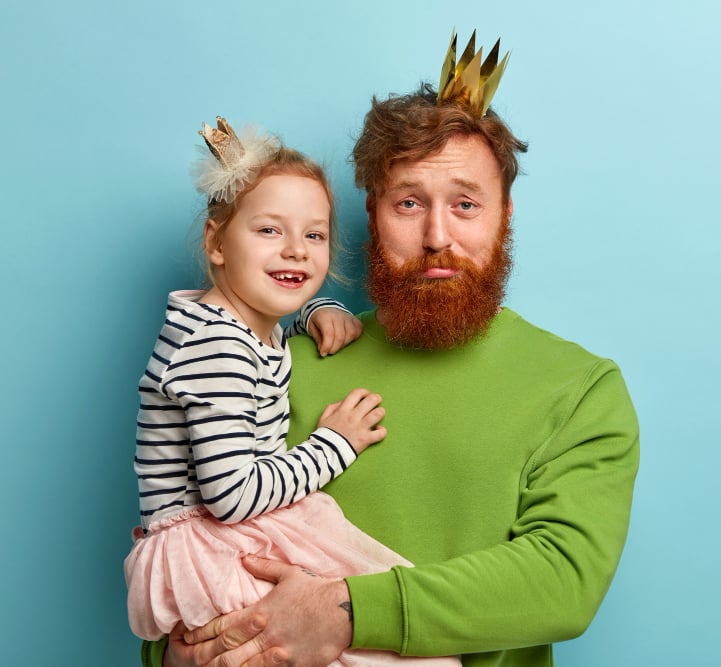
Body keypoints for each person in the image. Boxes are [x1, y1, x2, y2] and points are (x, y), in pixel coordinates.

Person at [147, 31, 640, 667]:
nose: (438, 235)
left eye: (466, 204)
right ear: (373, 212)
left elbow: (562, 583)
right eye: (408, 203)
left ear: (505, 214)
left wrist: (346, 615)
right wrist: (171, 656)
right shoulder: (276, 361)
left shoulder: (580, 390)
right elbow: (194, 550)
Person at [125, 117, 460, 666]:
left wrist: (316, 309)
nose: (297, 252)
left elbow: (267, 315)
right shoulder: (216, 348)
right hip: (218, 545)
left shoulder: (233, 323)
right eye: (269, 231)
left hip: (232, 537)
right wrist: (335, 445)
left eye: (314, 235)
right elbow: (230, 496)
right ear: (216, 242)